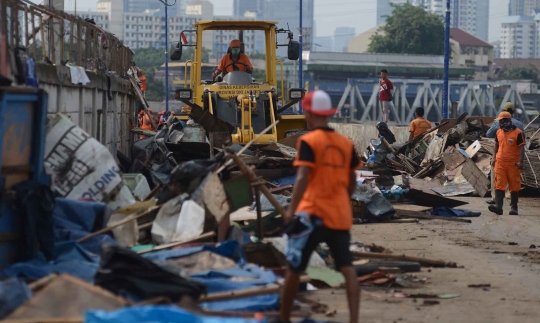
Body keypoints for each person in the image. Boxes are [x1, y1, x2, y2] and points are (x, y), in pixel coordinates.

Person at [273, 90, 362, 323]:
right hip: (339, 215)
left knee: (295, 268)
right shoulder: (346, 143)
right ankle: (354, 319)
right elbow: (353, 179)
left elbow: (302, 177)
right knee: (347, 267)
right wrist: (344, 198)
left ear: (309, 114)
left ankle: (284, 318)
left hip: (312, 214)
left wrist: (291, 211)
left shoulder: (309, 142)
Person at [485, 102, 525, 205]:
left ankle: (495, 198)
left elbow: (488, 134)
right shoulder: (519, 125)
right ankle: (510, 199)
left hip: (501, 158)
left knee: (497, 179)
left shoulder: (498, 124)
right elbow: (523, 142)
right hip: (514, 159)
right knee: (512, 180)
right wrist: (521, 161)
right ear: (513, 111)